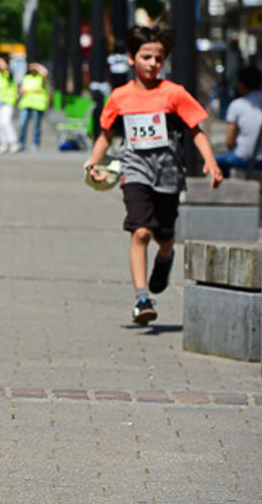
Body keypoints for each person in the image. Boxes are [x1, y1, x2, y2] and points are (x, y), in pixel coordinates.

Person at [84, 25, 223, 325]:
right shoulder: (120, 97)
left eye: (158, 58)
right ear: (132, 58)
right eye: (146, 57)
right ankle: (141, 298)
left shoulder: (174, 94)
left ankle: (166, 256)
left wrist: (210, 162)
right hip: (134, 169)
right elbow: (106, 135)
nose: (152, 63)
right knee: (141, 230)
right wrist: (94, 163)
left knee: (164, 234)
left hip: (169, 172)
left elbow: (196, 130)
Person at [214, 66, 262, 177]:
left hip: (246, 160)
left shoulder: (237, 105)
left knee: (214, 162)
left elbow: (230, 141)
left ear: (241, 84)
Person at [17, 63, 50, 151]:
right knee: (22, 124)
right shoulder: (26, 78)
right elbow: (22, 89)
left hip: (38, 105)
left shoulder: (41, 78)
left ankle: (35, 143)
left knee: (36, 125)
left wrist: (36, 65)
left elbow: (45, 72)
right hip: (26, 103)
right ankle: (21, 143)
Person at [0, 55, 20, 153]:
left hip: (7, 101)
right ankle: (4, 142)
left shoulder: (9, 74)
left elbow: (13, 87)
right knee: (0, 123)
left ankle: (13, 141)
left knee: (6, 121)